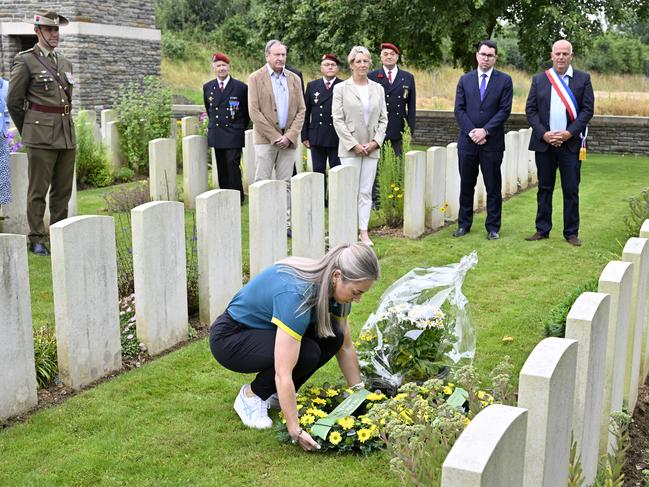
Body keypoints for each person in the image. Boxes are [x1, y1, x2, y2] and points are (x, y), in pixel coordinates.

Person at [209, 243, 380, 452]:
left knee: (334, 335)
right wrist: (295, 430)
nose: (358, 299)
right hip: (232, 338)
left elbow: (344, 347)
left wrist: (359, 396)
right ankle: (251, 396)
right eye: (356, 292)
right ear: (337, 276)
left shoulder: (334, 288)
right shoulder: (297, 294)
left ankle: (275, 397)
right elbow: (283, 371)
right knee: (307, 353)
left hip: (264, 332)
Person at [7, 11, 75, 256]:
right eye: (49, 30)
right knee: (38, 190)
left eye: (56, 30)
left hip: (66, 133)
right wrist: (30, 130)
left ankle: (59, 233)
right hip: (40, 136)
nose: (54, 34)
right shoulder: (25, 61)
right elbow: (14, 101)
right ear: (38, 32)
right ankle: (36, 238)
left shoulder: (65, 63)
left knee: (62, 191)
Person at [525, 39, 594, 247]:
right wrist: (545, 134)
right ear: (551, 55)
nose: (561, 57)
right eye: (558, 54)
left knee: (571, 189)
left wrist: (569, 133)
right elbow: (531, 110)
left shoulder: (583, 79)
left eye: (565, 54)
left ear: (571, 56)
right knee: (544, 188)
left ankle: (571, 233)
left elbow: (587, 110)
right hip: (545, 144)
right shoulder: (540, 79)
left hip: (570, 145)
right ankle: (542, 229)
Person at [453, 40, 513, 240]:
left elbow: (504, 110)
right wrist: (472, 131)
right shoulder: (465, 80)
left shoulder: (504, 81)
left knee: (493, 187)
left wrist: (485, 131)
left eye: (490, 55)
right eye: (483, 54)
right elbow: (459, 110)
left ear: (495, 58)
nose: (486, 58)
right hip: (467, 142)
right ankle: (464, 225)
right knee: (466, 185)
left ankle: (493, 228)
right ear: (477, 55)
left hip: (492, 143)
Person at [248, 40, 306, 235]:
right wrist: (275, 137)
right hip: (266, 140)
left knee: (286, 183)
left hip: (288, 141)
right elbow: (254, 112)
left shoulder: (294, 79)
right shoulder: (256, 78)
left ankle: (285, 223)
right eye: (277, 55)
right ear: (267, 56)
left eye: (283, 55)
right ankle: (261, 223)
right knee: (262, 181)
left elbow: (301, 110)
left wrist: (289, 136)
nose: (281, 58)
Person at [332, 46, 388, 247]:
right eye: (358, 61)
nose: (362, 65)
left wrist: (375, 142)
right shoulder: (341, 89)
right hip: (350, 149)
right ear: (351, 64)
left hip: (371, 148)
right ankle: (346, 230)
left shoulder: (378, 89)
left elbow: (383, 119)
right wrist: (353, 144)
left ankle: (363, 231)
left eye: (365, 61)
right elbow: (337, 119)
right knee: (349, 190)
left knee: (365, 191)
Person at [203, 52, 250, 204]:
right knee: (221, 165)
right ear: (213, 67)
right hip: (217, 133)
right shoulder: (208, 87)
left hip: (234, 133)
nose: (221, 68)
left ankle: (237, 196)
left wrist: (239, 127)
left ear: (229, 67)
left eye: (224, 65)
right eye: (218, 66)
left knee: (232, 165)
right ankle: (224, 195)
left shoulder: (240, 87)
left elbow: (246, 112)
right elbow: (209, 109)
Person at [301, 54, 343, 205]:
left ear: (337, 68)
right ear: (321, 68)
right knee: (318, 171)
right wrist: (304, 135)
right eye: (327, 64)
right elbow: (305, 111)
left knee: (336, 170)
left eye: (333, 65)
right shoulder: (312, 86)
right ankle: (320, 200)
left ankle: (335, 199)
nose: (330, 67)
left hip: (336, 136)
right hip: (316, 135)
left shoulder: (343, 85)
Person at [368, 43, 416, 158]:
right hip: (377, 129)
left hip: (398, 129)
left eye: (392, 54)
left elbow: (411, 107)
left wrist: (409, 131)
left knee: (396, 168)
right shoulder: (372, 77)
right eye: (385, 54)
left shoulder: (407, 77)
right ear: (381, 57)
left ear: (397, 57)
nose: (389, 56)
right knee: (376, 168)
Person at [0, 76, 10, 212]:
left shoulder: (6, 86)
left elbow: (9, 111)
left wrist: (4, 130)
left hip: (1, 140)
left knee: (2, 186)